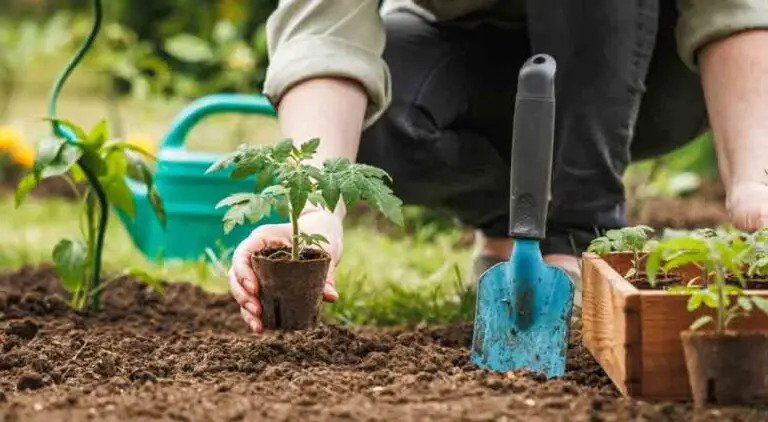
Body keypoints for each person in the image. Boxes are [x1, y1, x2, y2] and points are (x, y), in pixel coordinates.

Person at [229, 0, 768, 334]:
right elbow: (324, 33)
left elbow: (736, 9)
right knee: (383, 119)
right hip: (473, 50)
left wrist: (752, 182)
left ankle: (577, 238)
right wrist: (321, 215)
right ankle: (514, 229)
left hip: (649, 69)